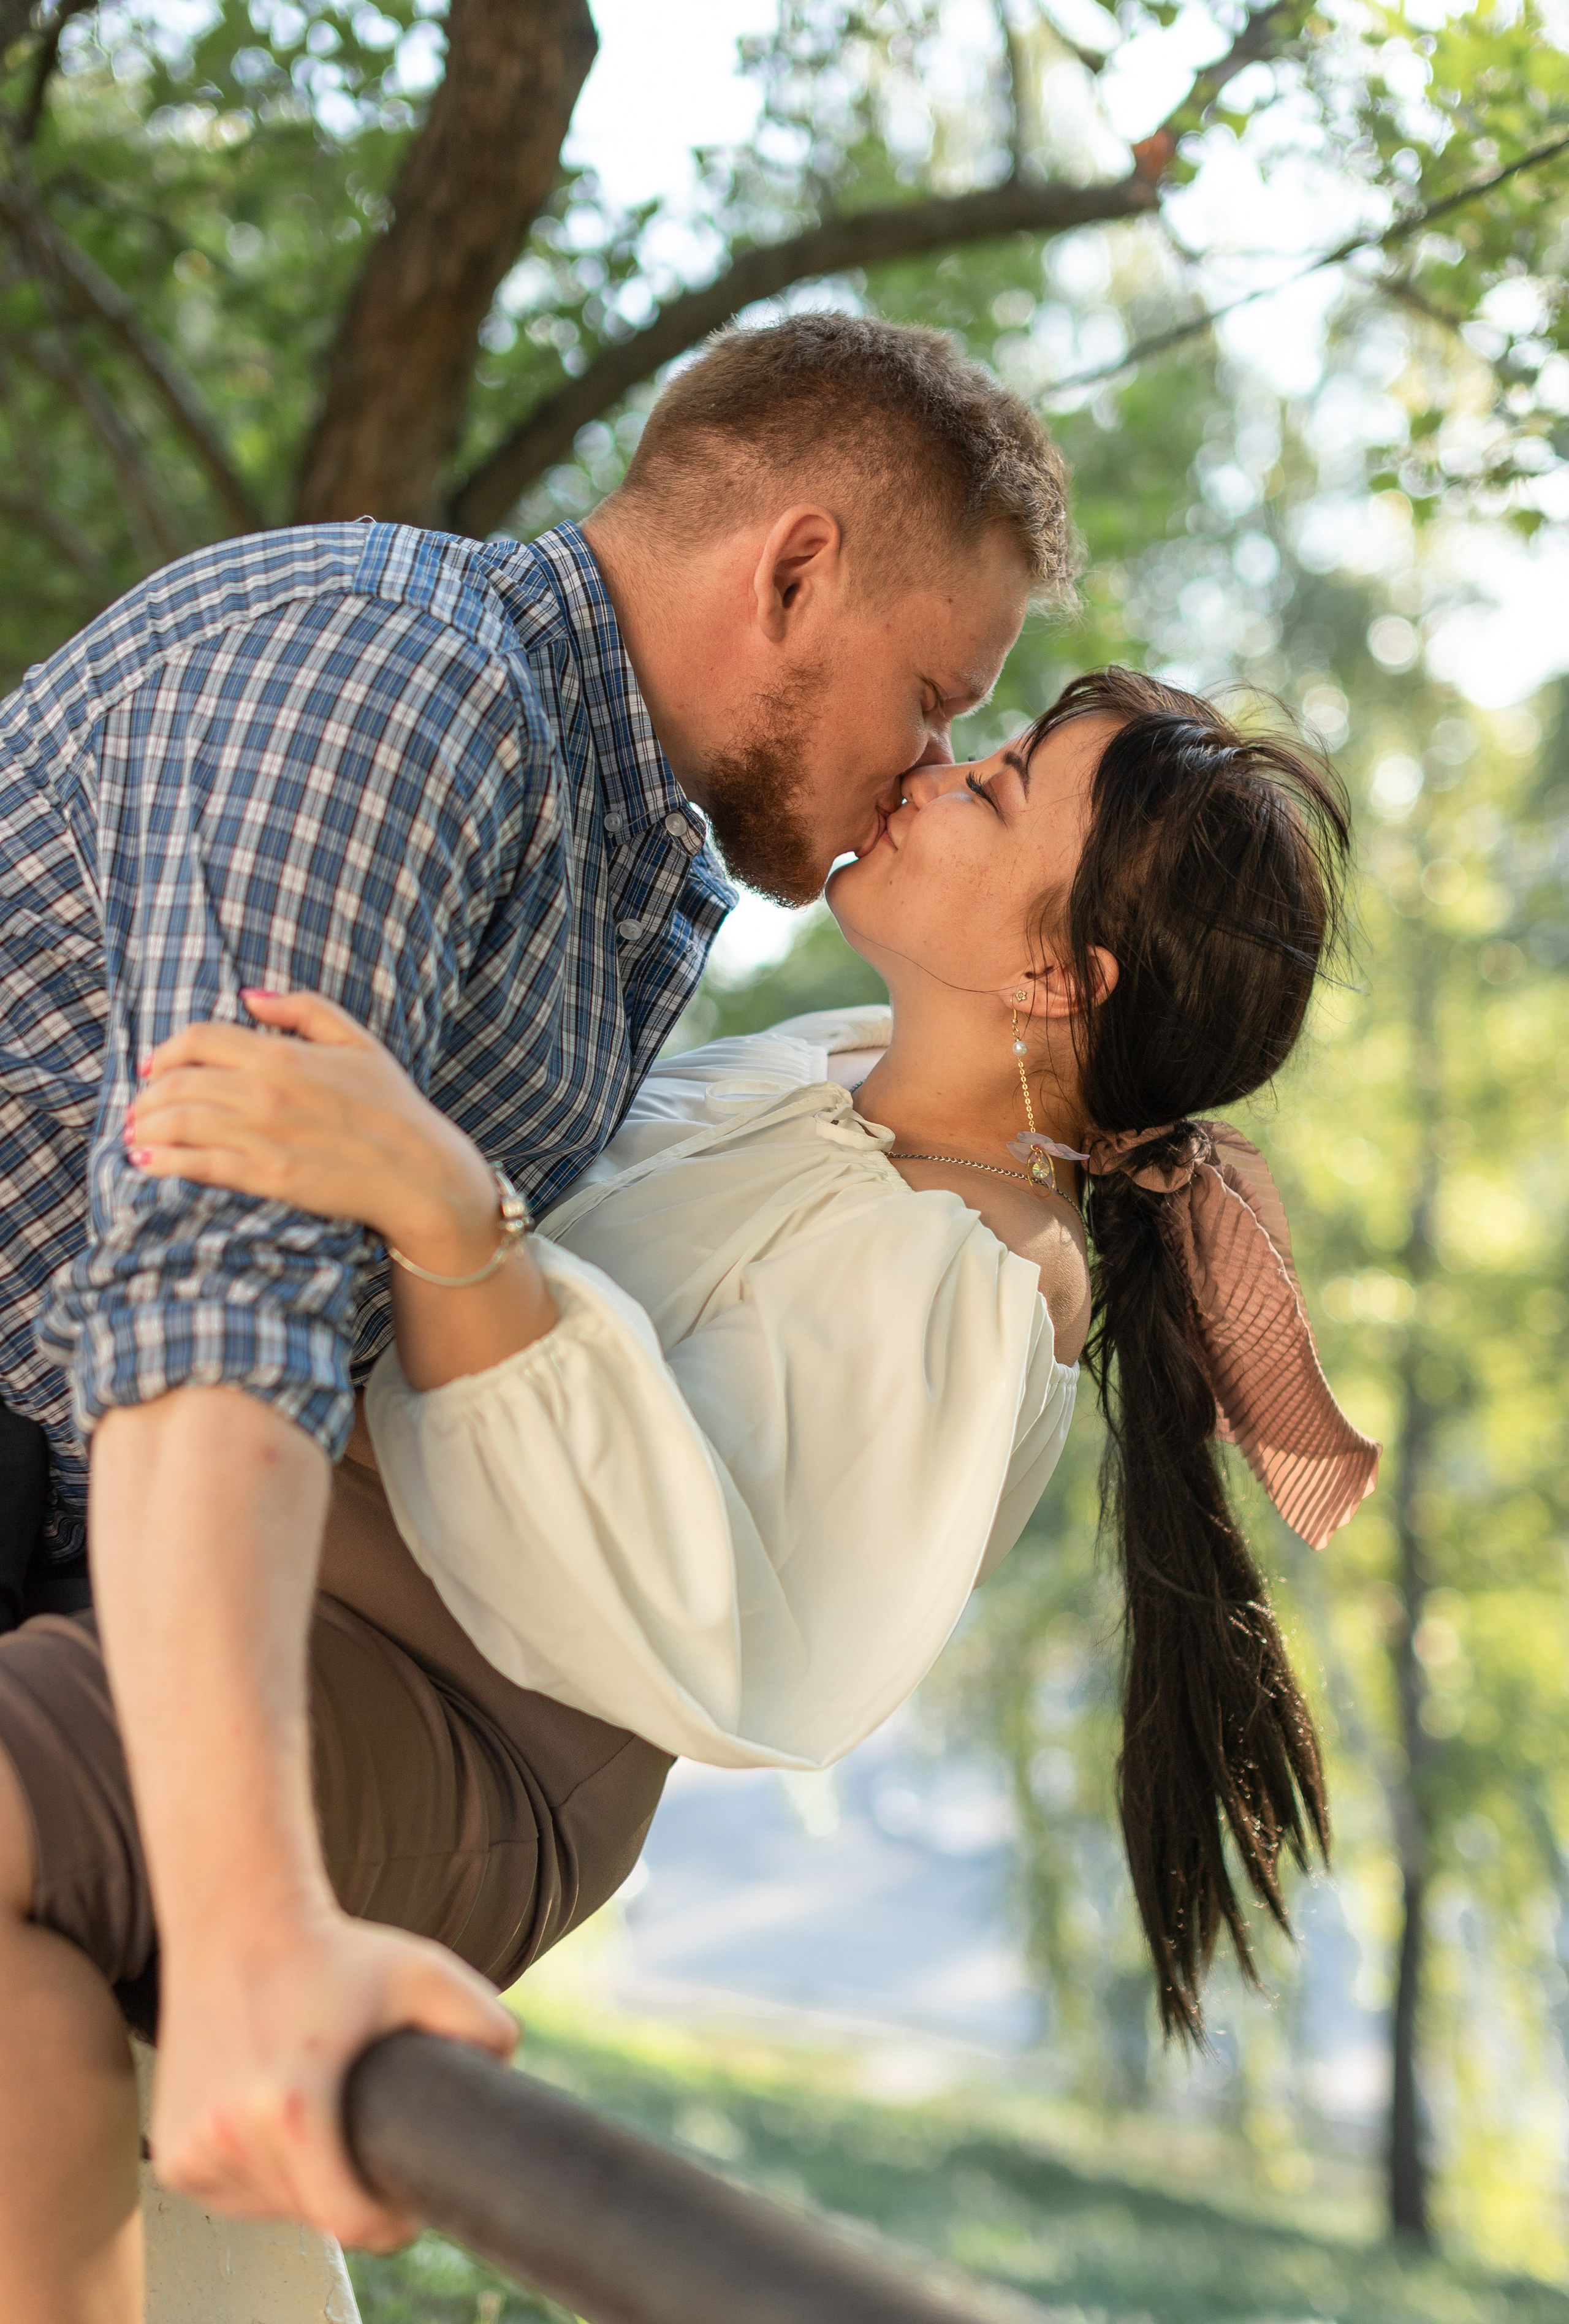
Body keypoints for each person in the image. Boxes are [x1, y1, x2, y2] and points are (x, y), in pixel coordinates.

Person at [0, 311, 1070, 2316]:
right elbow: (214, 1316)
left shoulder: (638, 858)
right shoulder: (393, 690)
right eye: (935, 698)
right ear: (795, 572)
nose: (926, 767)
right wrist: (248, 1932)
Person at [130, 665, 1378, 2044]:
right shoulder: (818, 1072)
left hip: (456, 1720)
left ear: (1057, 977)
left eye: (997, 787)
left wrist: (446, 1213)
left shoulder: (985, 1274)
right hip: (284, 1564)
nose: (937, 771)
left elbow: (688, 1585)